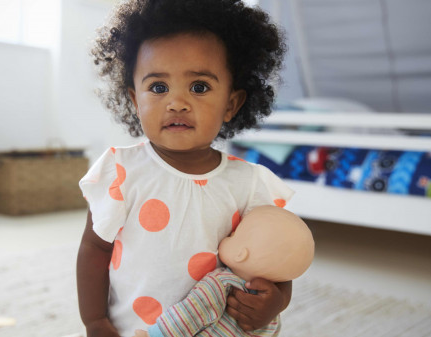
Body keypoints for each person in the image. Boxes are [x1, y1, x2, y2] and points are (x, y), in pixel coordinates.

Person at [77, 0, 290, 336]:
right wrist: (95, 321)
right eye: (158, 88)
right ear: (135, 100)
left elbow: (274, 259)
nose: (177, 102)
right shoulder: (121, 170)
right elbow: (94, 249)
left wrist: (276, 301)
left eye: (199, 87)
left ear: (231, 104)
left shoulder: (249, 184)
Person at [133, 205, 315, 337]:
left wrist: (154, 335)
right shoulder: (272, 317)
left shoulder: (221, 283)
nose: (229, 234)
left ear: (241, 254)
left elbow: (187, 317)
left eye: (234, 233)